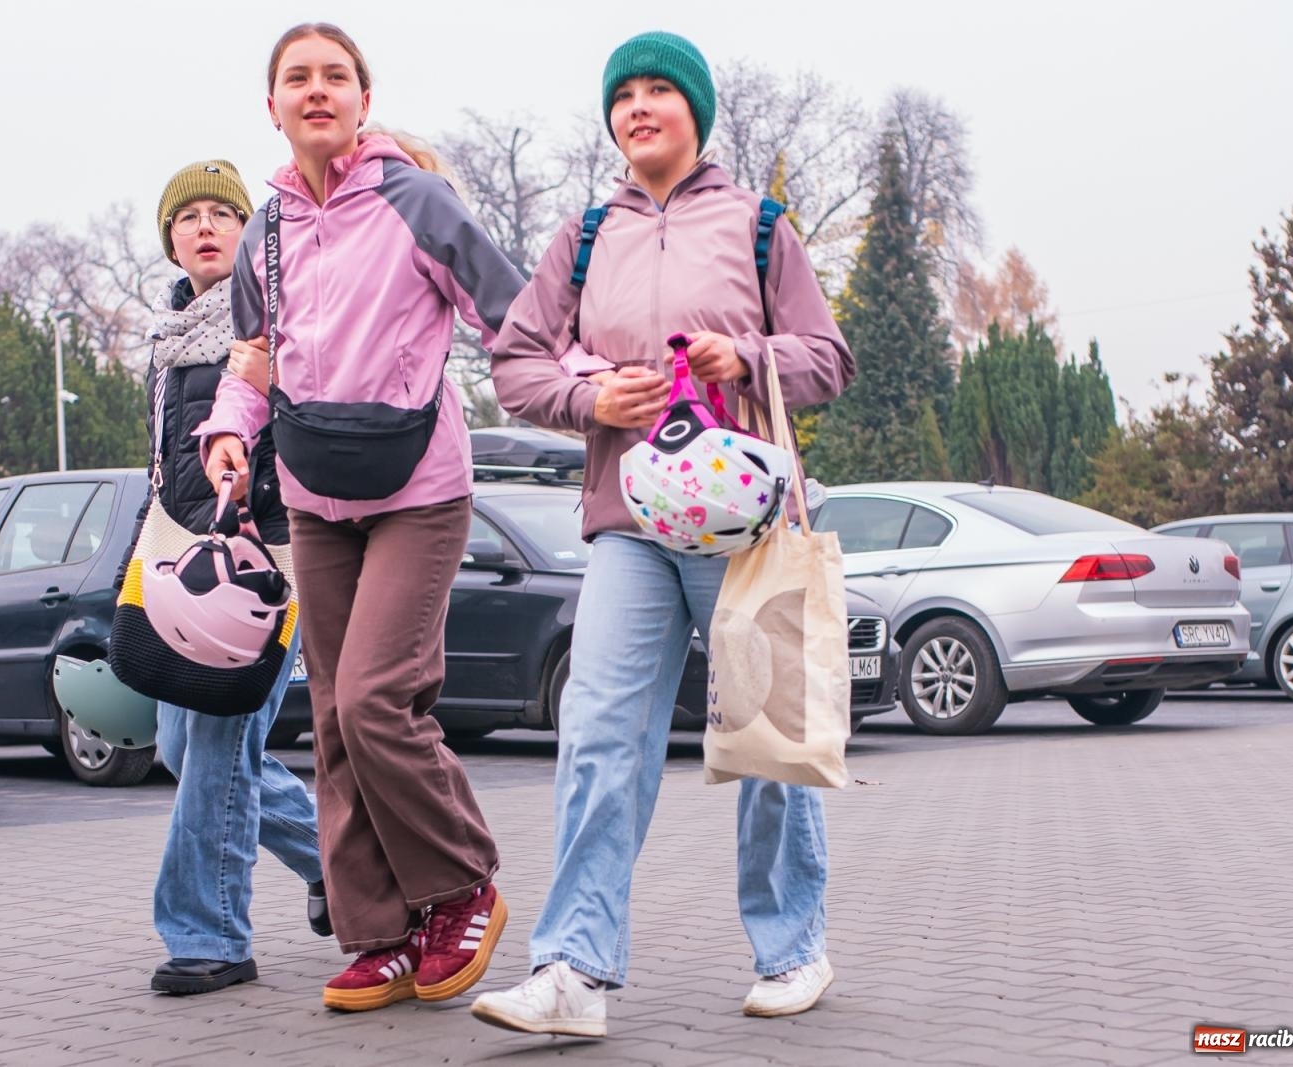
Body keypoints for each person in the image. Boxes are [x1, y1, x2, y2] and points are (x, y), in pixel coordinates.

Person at [471, 31, 856, 1036]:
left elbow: (826, 357)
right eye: (623, 95)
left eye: (658, 92)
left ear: (695, 110)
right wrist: (588, 396)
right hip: (629, 523)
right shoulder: (584, 233)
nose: (639, 107)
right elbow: (514, 362)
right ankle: (573, 971)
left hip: (747, 524)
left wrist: (748, 354)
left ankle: (792, 948)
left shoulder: (761, 225)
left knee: (769, 738)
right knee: (598, 733)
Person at [195, 23, 526, 1012]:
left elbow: (508, 313)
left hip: (418, 488)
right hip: (313, 495)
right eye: (296, 77)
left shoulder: (413, 200)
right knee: (335, 719)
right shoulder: (268, 231)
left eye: (334, 75)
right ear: (273, 106)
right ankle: (377, 931)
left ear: (361, 98)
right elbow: (254, 354)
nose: (316, 90)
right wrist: (228, 429)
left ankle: (462, 880)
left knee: (378, 700)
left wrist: (576, 391)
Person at [124, 160, 328, 996]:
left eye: (222, 213)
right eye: (188, 217)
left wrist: (260, 495)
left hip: (265, 565)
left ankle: (208, 933)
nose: (204, 227)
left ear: (249, 232)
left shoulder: (270, 322)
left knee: (214, 745)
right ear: (171, 238)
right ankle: (349, 864)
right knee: (182, 743)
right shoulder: (170, 341)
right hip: (186, 562)